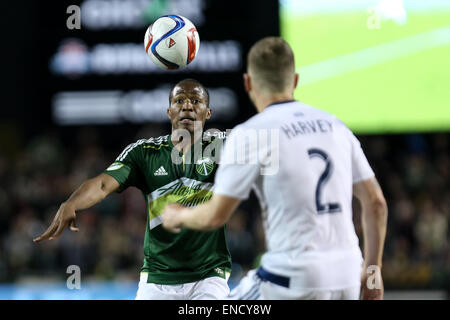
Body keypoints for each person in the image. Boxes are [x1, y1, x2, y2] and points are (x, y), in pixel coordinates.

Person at [162, 37, 388, 300]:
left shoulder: (253, 133)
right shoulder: (336, 127)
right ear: (294, 80)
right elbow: (376, 203)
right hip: (348, 275)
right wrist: (373, 271)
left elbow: (215, 216)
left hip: (291, 278)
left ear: (248, 83)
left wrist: (178, 216)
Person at [33, 79, 232, 300]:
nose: (187, 106)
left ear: (208, 113)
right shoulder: (144, 153)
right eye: (179, 101)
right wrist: (72, 202)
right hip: (156, 279)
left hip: (208, 277)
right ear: (169, 112)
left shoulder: (224, 146)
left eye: (196, 101)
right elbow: (102, 184)